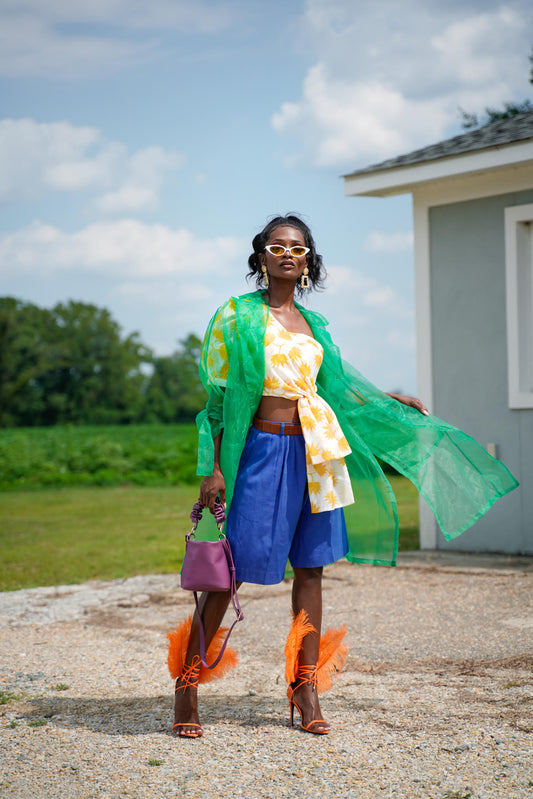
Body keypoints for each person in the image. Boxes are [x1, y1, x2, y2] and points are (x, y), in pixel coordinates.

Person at [168, 214, 518, 738]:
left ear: (308, 261)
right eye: (277, 245)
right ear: (260, 256)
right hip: (260, 451)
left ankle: (304, 686)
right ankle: (187, 686)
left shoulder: (317, 327)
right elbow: (218, 402)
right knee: (232, 568)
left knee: (312, 570)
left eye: (299, 248)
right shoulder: (236, 317)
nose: (289, 253)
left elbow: (337, 386)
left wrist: (387, 400)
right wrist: (215, 468)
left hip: (315, 454)